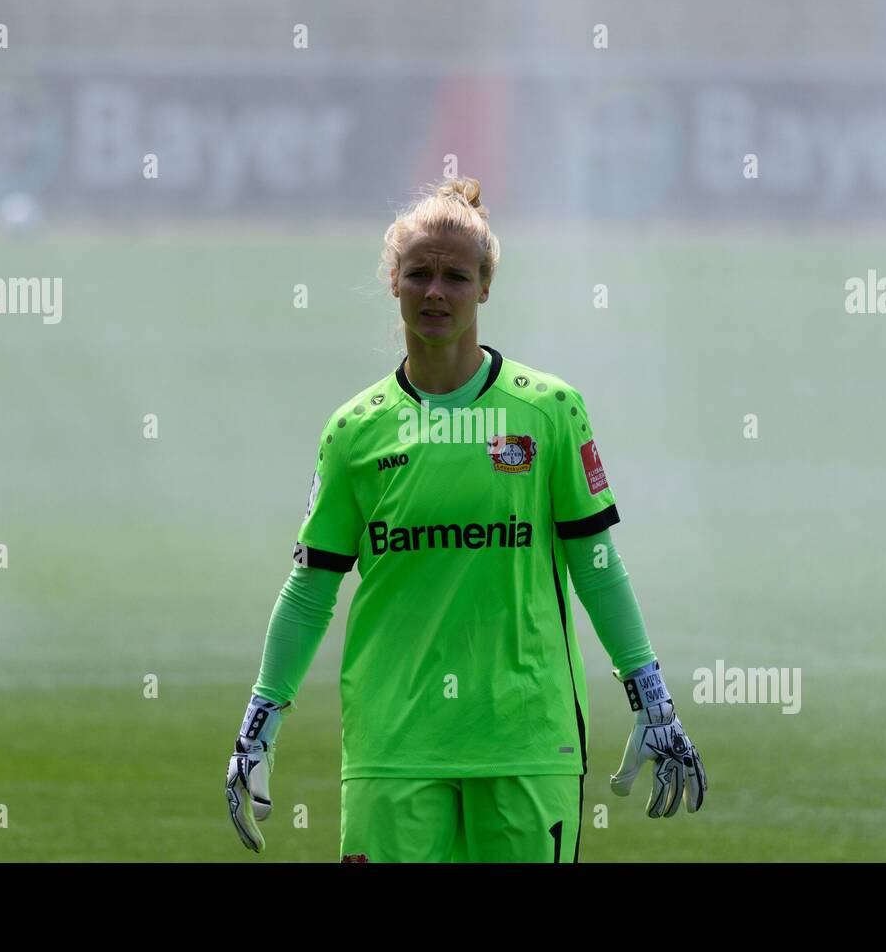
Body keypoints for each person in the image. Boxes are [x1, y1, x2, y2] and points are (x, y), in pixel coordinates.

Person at [226, 177, 705, 863]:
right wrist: (259, 724)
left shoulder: (549, 412)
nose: (435, 292)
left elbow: (596, 568)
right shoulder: (354, 431)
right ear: (394, 281)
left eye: (456, 276)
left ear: (485, 286)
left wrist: (650, 696)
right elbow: (309, 592)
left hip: (526, 743)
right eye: (419, 274)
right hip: (393, 747)